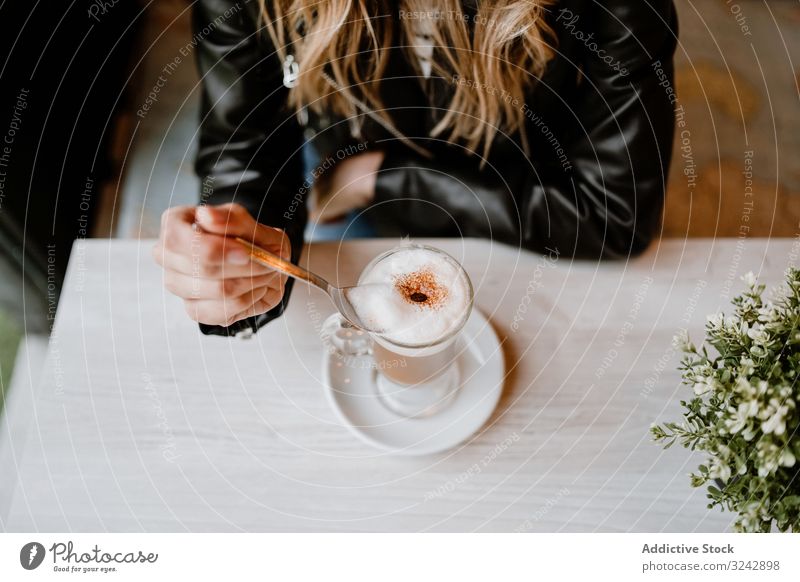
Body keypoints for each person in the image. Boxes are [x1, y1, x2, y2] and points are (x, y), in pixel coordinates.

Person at [153, 0, 678, 336]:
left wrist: (382, 177)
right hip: (339, 181)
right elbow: (247, 146)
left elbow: (615, 216)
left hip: (525, 189)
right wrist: (239, 257)